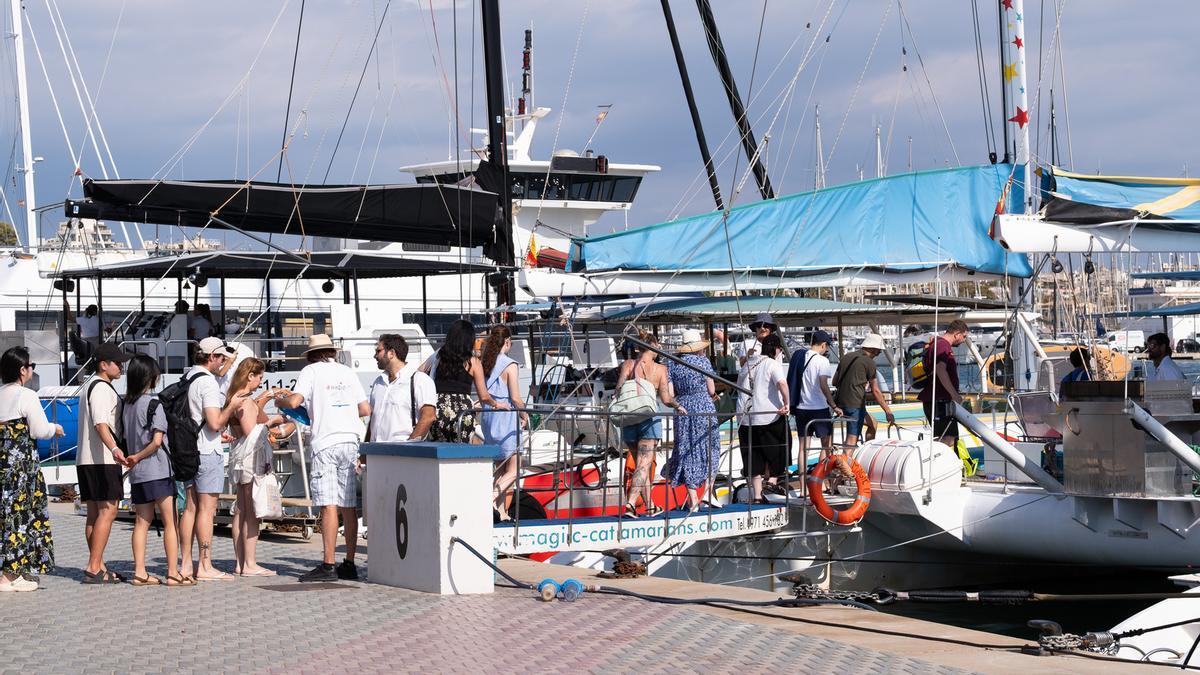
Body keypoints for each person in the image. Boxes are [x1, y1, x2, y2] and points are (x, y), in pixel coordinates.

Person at [281, 334, 370, 582]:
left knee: (328, 503)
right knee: (348, 504)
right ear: (331, 351)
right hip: (351, 439)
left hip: (326, 441)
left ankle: (328, 565)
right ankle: (349, 563)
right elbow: (365, 409)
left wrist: (281, 400)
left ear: (311, 355)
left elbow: (296, 400)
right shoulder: (347, 372)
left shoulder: (311, 371)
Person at [120, 354, 187, 587]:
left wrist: (133, 459)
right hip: (157, 469)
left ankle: (139, 571)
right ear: (151, 377)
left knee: (141, 522)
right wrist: (139, 456)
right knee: (170, 522)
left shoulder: (126, 405)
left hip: (138, 473)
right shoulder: (153, 404)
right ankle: (172, 572)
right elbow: (157, 441)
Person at [179, 337, 243, 582]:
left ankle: (186, 564)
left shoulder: (188, 377)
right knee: (207, 510)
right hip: (207, 451)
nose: (223, 362)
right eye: (222, 358)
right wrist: (231, 406)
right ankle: (204, 565)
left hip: (188, 450)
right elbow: (215, 422)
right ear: (211, 357)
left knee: (190, 509)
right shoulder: (207, 383)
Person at [0, 346, 64, 591]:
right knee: (21, 517)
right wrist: (55, 428)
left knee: (5, 518)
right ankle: (10, 576)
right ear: (22, 370)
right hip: (21, 470)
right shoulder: (25, 395)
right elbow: (39, 430)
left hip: (3, 467)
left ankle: (10, 571)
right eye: (30, 366)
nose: (31, 370)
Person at [226, 358, 287, 577]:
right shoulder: (245, 401)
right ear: (250, 375)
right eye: (259, 376)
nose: (261, 381)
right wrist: (271, 423)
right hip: (252, 461)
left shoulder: (233, 398)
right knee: (251, 512)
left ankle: (240, 562)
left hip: (238, 459)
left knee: (240, 511)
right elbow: (252, 432)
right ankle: (250, 563)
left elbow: (239, 433)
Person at [76, 342, 131, 584]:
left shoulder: (89, 386)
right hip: (103, 460)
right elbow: (101, 423)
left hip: (87, 459)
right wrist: (115, 448)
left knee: (94, 514)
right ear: (103, 365)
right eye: (117, 363)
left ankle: (99, 565)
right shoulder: (101, 388)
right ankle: (93, 565)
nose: (121, 366)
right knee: (108, 511)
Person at [615, 330, 683, 517]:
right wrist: (678, 406)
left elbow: (619, 388)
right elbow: (666, 398)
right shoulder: (660, 369)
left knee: (640, 464)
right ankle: (630, 504)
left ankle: (650, 505)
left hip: (629, 418)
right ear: (653, 346)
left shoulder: (628, 364)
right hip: (648, 419)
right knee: (644, 465)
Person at [421, 319, 506, 443]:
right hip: (462, 412)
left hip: (437, 409)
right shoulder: (473, 362)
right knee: (466, 448)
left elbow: (419, 373)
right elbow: (484, 396)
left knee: (440, 449)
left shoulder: (440, 356)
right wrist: (497, 404)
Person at [663, 329, 720, 512]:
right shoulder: (703, 361)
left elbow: (670, 394)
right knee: (711, 447)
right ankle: (709, 492)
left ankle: (693, 499)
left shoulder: (672, 363)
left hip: (684, 409)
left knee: (686, 450)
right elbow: (711, 390)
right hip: (704, 406)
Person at [479, 326, 530, 520]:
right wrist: (525, 414)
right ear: (507, 341)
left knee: (500, 468)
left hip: (489, 419)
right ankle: (489, 498)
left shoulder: (487, 363)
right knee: (514, 470)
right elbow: (516, 398)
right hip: (506, 419)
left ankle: (501, 512)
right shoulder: (510, 364)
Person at [737, 333, 790, 504]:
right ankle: (772, 480)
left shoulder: (748, 363)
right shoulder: (772, 363)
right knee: (779, 447)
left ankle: (758, 496)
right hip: (767, 416)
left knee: (752, 456)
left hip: (745, 418)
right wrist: (787, 403)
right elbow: (782, 383)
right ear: (777, 349)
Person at [366, 334, 436, 443]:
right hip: (376, 453)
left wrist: (410, 446)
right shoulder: (378, 382)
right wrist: (365, 452)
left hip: (403, 453)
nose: (375, 356)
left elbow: (428, 416)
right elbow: (373, 421)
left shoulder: (420, 380)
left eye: (378, 351)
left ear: (391, 353)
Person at [832, 333, 896, 450]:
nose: (879, 353)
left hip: (840, 403)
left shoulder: (846, 357)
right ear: (872, 348)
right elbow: (876, 390)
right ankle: (846, 465)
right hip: (855, 404)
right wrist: (888, 411)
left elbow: (834, 382)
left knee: (873, 423)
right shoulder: (869, 362)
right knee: (852, 439)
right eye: (878, 351)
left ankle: (866, 451)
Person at [788, 330, 838, 465]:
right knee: (826, 445)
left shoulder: (800, 357)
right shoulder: (822, 361)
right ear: (823, 345)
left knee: (803, 449)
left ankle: (804, 484)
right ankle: (819, 480)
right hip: (819, 408)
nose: (826, 349)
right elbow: (823, 385)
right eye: (827, 346)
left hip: (801, 408)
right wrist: (834, 405)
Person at [918, 320, 968, 445]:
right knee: (948, 439)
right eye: (964, 336)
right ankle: (934, 462)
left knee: (947, 437)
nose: (964, 340)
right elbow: (940, 369)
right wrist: (954, 394)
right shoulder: (943, 345)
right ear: (957, 334)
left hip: (938, 401)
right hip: (939, 402)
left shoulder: (937, 344)